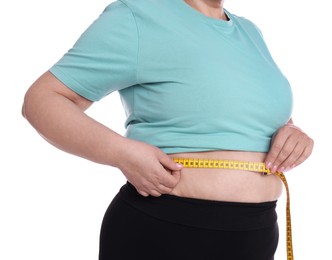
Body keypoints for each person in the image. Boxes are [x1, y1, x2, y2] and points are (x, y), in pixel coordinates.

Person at [22, 0, 314, 259]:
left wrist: (294, 135)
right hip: (167, 228)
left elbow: (242, 113)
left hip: (257, 230)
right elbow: (42, 99)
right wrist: (122, 153)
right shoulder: (138, 14)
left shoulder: (250, 32)